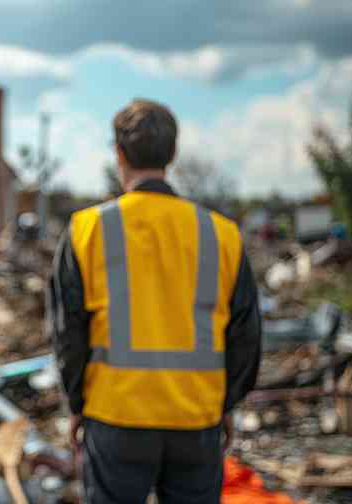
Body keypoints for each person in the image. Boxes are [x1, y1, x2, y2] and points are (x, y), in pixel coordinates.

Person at [48, 99, 261, 504]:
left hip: (115, 415)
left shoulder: (86, 230)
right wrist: (226, 403)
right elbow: (246, 335)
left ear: (119, 154)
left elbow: (68, 333)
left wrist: (76, 403)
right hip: (196, 418)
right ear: (173, 155)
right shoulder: (222, 234)